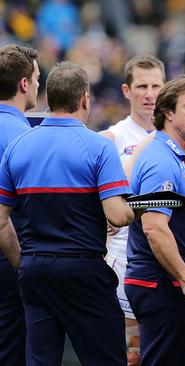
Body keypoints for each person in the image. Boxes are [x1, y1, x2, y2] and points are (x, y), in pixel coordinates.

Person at [0, 61, 134, 365]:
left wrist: (22, 262)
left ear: (48, 99)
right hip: (83, 269)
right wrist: (131, 211)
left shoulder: (19, 146)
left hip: (35, 271)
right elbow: (116, 215)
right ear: (85, 99)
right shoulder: (99, 147)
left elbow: (1, 219)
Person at [124, 75, 185, 366]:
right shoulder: (161, 159)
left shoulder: (176, 156)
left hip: (167, 282)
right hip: (159, 284)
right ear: (168, 113)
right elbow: (154, 228)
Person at [101, 54, 165, 364]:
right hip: (126, 259)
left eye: (156, 86)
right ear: (127, 91)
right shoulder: (112, 139)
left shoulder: (181, 136)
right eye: (142, 86)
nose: (150, 94)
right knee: (132, 354)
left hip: (169, 256)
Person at [0, 44, 39, 366]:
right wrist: (20, 265)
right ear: (24, 83)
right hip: (9, 254)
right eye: (37, 77)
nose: (39, 85)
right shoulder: (22, 136)